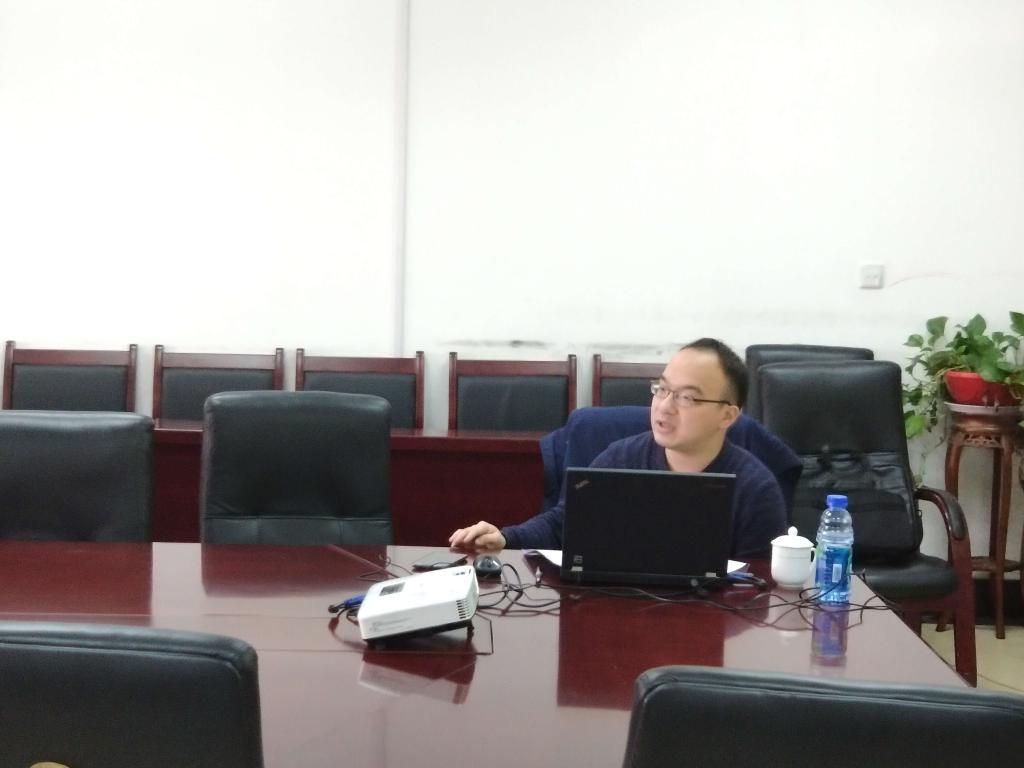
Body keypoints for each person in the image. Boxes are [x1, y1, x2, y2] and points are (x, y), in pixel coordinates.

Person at [448, 338, 787, 560]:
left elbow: (757, 593)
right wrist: (506, 538)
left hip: (711, 633)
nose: (665, 406)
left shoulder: (755, 489)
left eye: (686, 397)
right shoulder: (619, 459)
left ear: (727, 415)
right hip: (619, 620)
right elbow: (564, 524)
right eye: (662, 390)